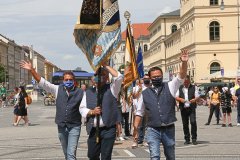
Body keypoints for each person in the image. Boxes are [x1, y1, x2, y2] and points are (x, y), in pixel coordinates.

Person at [20, 60, 83, 160]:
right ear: (63, 81)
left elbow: (85, 107)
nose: (68, 82)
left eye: (70, 80)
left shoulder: (80, 92)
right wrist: (32, 70)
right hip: (62, 126)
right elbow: (43, 83)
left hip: (74, 126)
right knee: (66, 153)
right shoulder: (57, 89)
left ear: (74, 81)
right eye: (66, 80)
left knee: (71, 153)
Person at [133, 49, 188, 160]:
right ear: (150, 78)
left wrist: (184, 62)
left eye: (159, 76)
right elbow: (139, 112)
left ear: (162, 76)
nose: (157, 78)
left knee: (170, 156)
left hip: (168, 128)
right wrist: (135, 129)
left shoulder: (170, 86)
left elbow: (181, 76)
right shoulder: (144, 93)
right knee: (154, 156)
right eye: (154, 77)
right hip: (152, 129)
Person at [79, 64, 123, 160]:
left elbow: (119, 77)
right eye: (97, 74)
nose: (99, 77)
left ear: (107, 77)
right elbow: (82, 108)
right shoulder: (89, 91)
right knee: (92, 155)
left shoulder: (112, 88)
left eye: (102, 74)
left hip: (108, 129)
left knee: (106, 156)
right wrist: (92, 111)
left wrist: (105, 65)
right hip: (94, 129)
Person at [176, 75, 199, 145]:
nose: (185, 84)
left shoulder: (194, 87)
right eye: (184, 82)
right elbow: (176, 96)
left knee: (193, 122)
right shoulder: (179, 87)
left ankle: (194, 138)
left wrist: (194, 99)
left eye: (187, 82)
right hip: (183, 108)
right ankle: (187, 139)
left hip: (191, 107)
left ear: (189, 81)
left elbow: (198, 96)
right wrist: (180, 99)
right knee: (185, 124)